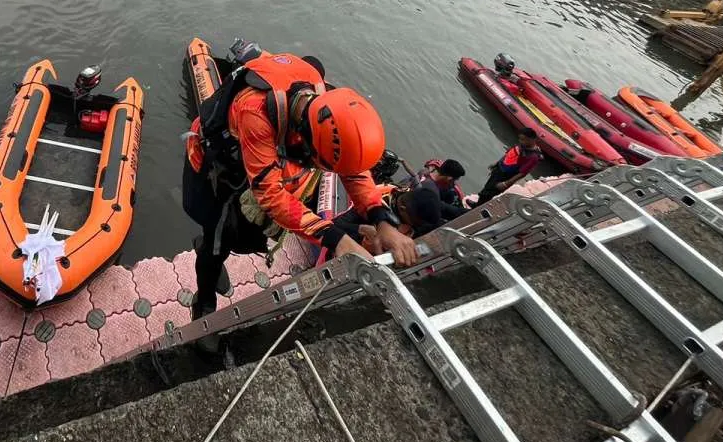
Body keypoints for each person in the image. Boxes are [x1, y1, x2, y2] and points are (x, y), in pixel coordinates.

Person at [182, 51, 419, 330]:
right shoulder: (256, 112)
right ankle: (204, 303)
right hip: (215, 173)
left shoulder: (327, 106)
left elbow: (353, 170)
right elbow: (270, 194)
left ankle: (211, 250)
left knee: (244, 240)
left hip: (249, 173)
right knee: (217, 239)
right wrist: (336, 238)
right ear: (309, 142)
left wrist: (382, 220)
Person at [397, 158, 467, 236]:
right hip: (405, 220)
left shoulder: (424, 172)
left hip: (401, 197)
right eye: (454, 180)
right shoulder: (432, 193)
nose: (453, 183)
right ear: (449, 178)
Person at [475, 129, 542, 205]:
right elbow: (509, 154)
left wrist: (505, 184)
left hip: (505, 177)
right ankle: (477, 204)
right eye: (520, 139)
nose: (520, 141)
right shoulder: (523, 145)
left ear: (532, 140)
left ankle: (476, 208)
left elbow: (522, 173)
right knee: (487, 188)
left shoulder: (533, 157)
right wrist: (497, 163)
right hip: (499, 169)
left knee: (489, 193)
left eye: (523, 139)